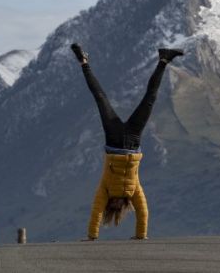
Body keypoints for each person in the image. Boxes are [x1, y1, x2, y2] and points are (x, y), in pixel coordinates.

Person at [71, 43, 184, 241]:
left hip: (114, 141)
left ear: (110, 208)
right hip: (132, 141)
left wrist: (92, 236)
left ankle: (84, 62)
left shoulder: (104, 189)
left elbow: (96, 211)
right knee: (150, 99)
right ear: (122, 208)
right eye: (117, 207)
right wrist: (141, 235)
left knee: (100, 98)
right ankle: (163, 60)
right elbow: (143, 212)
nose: (113, 205)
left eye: (111, 207)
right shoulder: (134, 190)